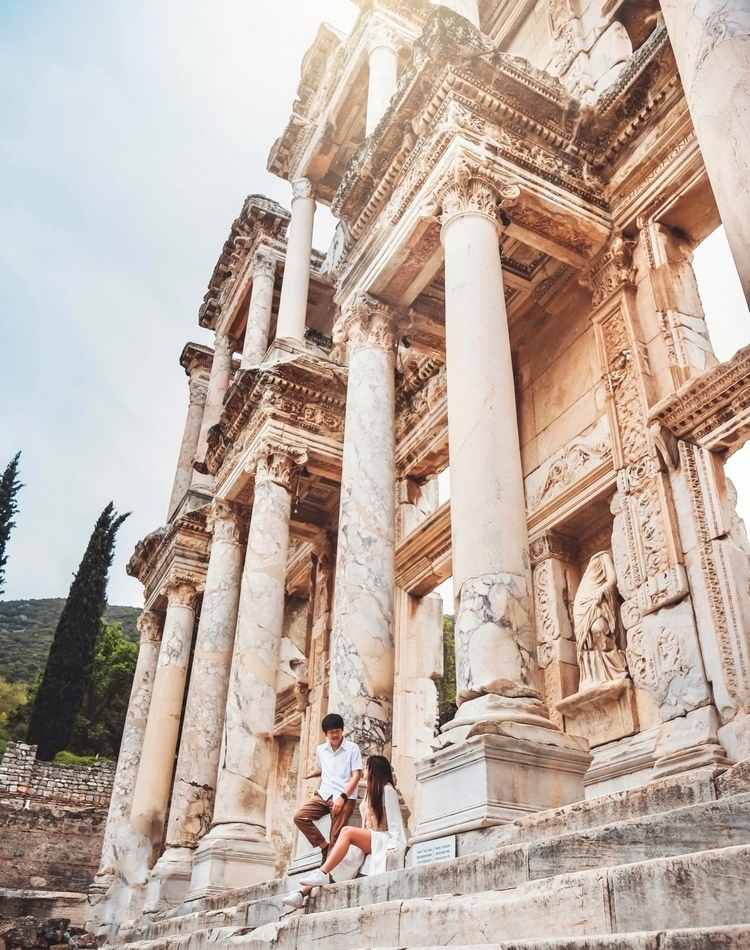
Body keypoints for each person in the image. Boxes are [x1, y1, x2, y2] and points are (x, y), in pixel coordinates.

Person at [283, 755, 406, 907]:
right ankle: (301, 893)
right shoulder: (370, 791)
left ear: (375, 769)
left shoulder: (387, 790)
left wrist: (394, 846)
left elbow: (395, 823)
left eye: (366, 767)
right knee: (337, 860)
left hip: (384, 838)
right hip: (370, 838)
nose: (364, 770)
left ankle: (320, 874)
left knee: (346, 831)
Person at [292, 713, 363, 865]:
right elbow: (323, 769)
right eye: (331, 733)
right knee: (300, 817)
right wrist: (311, 774)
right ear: (326, 734)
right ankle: (324, 846)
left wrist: (342, 797)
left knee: (336, 835)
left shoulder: (352, 749)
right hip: (324, 794)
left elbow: (357, 775)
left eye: (337, 731)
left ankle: (327, 870)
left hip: (345, 797)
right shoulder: (321, 750)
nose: (335, 735)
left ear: (342, 730)